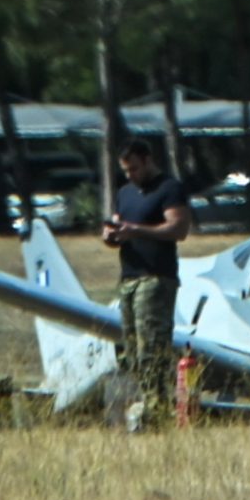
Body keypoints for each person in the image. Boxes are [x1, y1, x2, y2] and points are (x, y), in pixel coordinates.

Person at [101, 140, 191, 428]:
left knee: (151, 348)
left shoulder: (169, 188)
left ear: (148, 160)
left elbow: (179, 228)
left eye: (135, 168)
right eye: (126, 170)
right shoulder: (125, 193)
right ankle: (146, 403)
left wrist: (136, 230)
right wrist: (112, 235)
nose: (131, 175)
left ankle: (158, 409)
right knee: (131, 350)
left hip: (156, 278)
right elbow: (118, 224)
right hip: (129, 277)